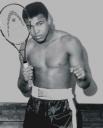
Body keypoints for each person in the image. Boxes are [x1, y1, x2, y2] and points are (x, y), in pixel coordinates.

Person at [18, 2, 97, 128]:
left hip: (63, 109)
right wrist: (24, 79)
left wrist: (83, 77)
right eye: (29, 26)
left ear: (48, 19)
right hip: (34, 106)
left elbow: (85, 84)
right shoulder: (26, 47)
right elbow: (23, 88)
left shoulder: (69, 43)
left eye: (39, 23)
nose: (35, 31)